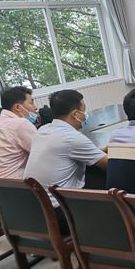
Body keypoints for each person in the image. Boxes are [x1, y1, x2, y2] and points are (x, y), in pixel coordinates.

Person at [24, 90, 108, 233]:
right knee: (109, 176)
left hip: (37, 213)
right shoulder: (72, 138)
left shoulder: (43, 131)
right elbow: (111, 165)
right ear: (75, 114)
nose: (85, 114)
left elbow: (69, 153)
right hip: (61, 214)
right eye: (84, 110)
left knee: (91, 171)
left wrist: (103, 150)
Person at [0, 86, 38, 179]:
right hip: (14, 184)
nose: (35, 107)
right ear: (18, 107)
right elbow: (41, 154)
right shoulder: (21, 123)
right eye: (31, 103)